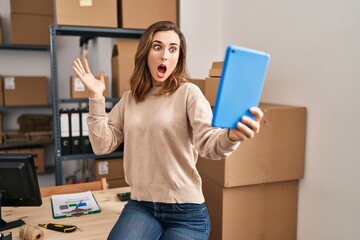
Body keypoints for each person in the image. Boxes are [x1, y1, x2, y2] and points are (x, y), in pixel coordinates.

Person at [72, 21, 263, 240]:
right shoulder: (129, 99)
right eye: (157, 47)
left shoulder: (188, 93)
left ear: (178, 58)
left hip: (186, 213)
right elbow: (101, 144)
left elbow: (209, 143)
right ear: (146, 52)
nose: (165, 55)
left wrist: (230, 137)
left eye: (173, 49)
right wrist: (96, 97)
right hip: (142, 206)